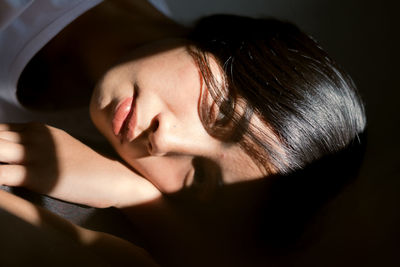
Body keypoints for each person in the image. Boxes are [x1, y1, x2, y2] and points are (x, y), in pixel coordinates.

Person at [0, 0, 366, 265]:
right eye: (221, 114)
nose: (164, 140)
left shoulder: (82, 128)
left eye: (198, 177)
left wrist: (134, 195)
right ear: (234, 44)